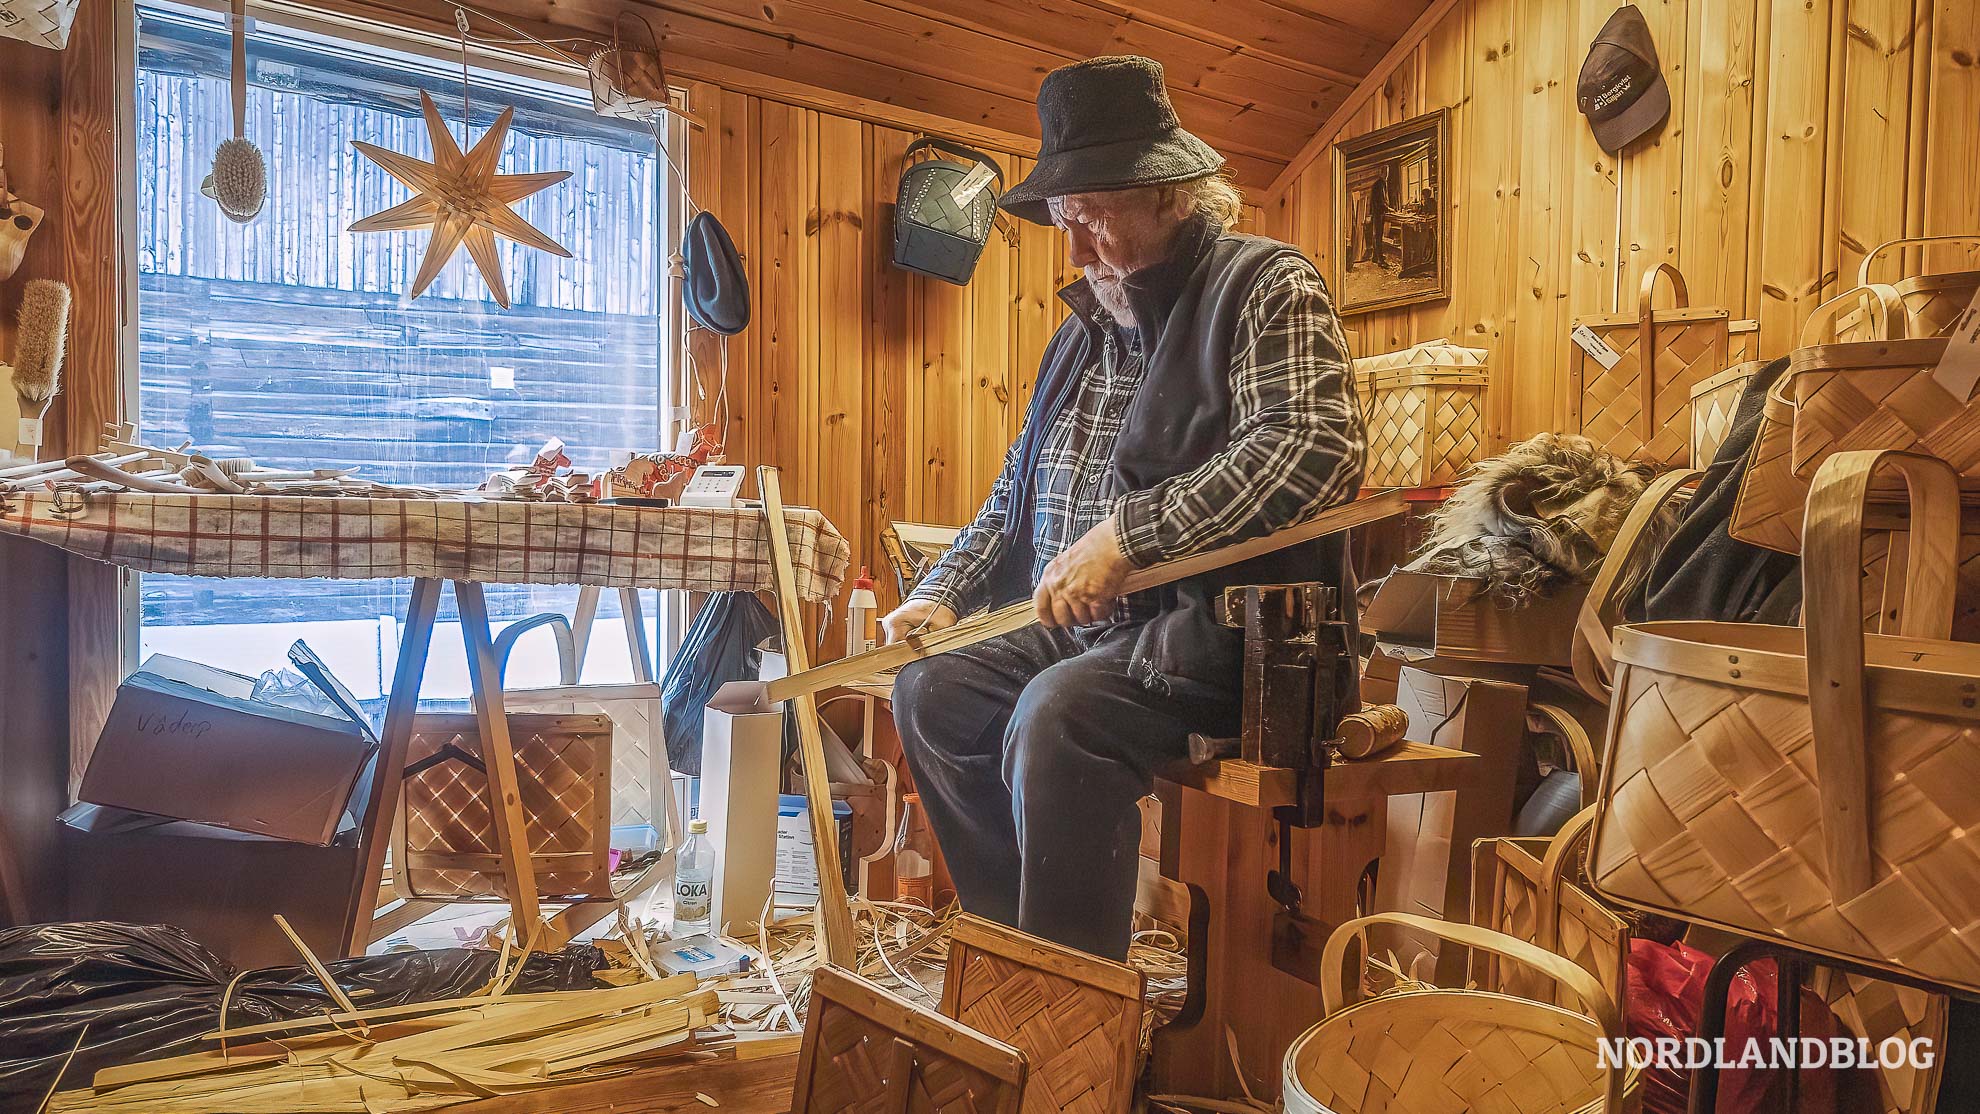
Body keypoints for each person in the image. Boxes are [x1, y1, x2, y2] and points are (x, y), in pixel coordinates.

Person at [881, 56, 1367, 961]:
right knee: (931, 690)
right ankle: (1016, 954)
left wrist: (1133, 538)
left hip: (1220, 639)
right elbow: (1016, 493)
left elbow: (1314, 446)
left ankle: (1072, 997)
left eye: (1091, 218)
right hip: (1086, 633)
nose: (1072, 250)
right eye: (1064, 221)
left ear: (1170, 196)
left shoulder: (1265, 285)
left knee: (1056, 717)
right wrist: (943, 591)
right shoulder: (1081, 333)